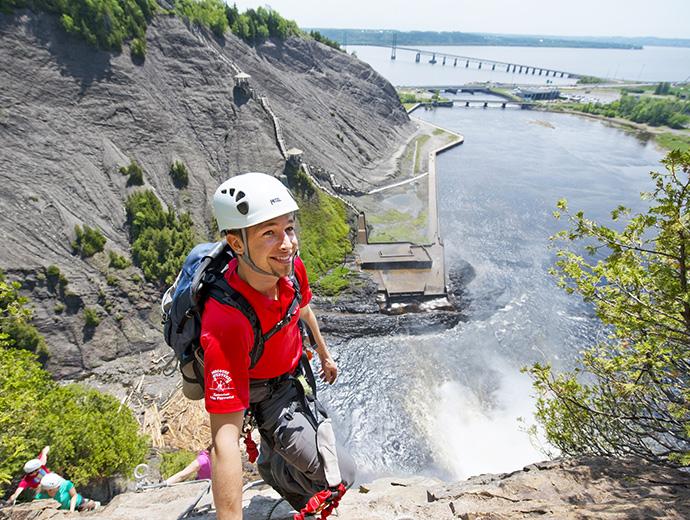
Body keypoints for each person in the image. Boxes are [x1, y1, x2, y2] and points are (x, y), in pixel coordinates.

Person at [203, 172, 355, 520]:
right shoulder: (226, 321)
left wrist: (324, 353)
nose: (287, 243)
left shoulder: (288, 268)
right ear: (236, 243)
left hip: (295, 373)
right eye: (269, 233)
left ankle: (274, 459)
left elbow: (300, 306)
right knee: (340, 474)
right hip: (266, 395)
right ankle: (276, 468)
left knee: (322, 460)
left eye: (289, 228)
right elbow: (224, 441)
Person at [34, 473, 99, 512]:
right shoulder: (40, 496)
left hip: (77, 503)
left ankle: (91, 502)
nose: (59, 486)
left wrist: (71, 511)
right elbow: (35, 504)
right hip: (63, 509)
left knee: (86, 507)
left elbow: (74, 495)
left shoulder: (66, 484)